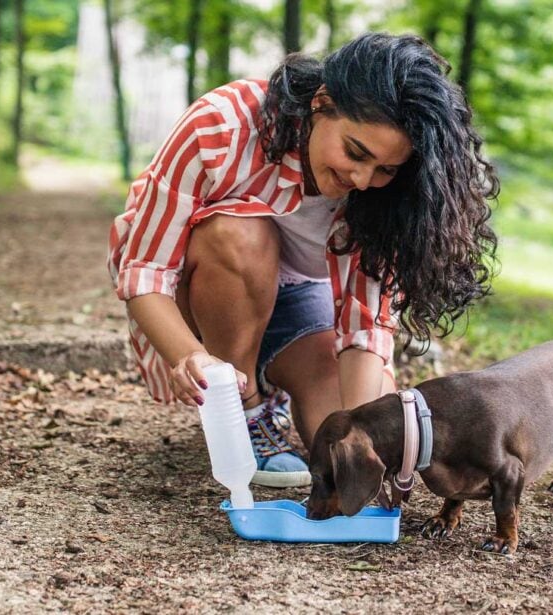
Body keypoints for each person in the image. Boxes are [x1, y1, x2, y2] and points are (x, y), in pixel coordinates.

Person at [107, 33, 498, 488]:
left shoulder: (391, 199)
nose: (362, 178)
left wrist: (363, 433)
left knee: (342, 444)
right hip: (207, 284)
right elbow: (144, 271)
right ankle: (246, 407)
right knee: (240, 233)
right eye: (356, 152)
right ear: (322, 102)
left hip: (304, 298)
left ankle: (279, 390)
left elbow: (365, 326)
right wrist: (190, 357)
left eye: (385, 169)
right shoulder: (223, 125)